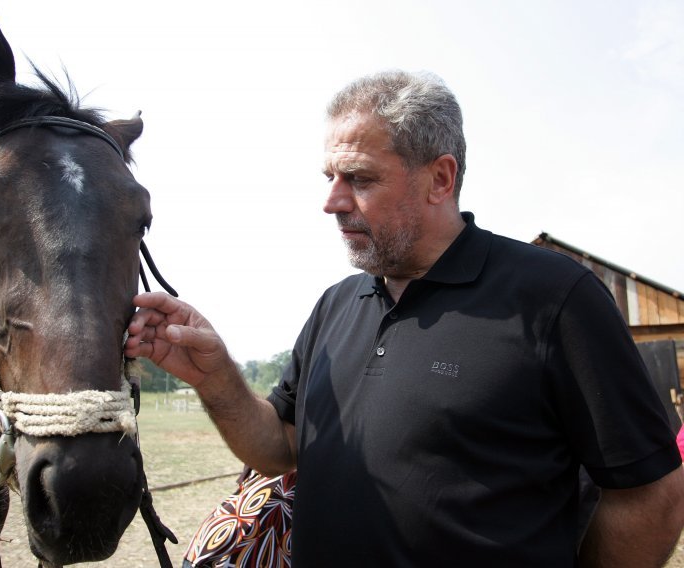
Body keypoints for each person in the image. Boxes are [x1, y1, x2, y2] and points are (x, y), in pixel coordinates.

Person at [125, 70, 684, 566]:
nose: (333, 201)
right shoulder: (335, 305)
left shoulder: (555, 299)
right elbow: (280, 447)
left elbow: (650, 491)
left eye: (360, 179)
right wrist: (214, 373)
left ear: (440, 178)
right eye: (330, 178)